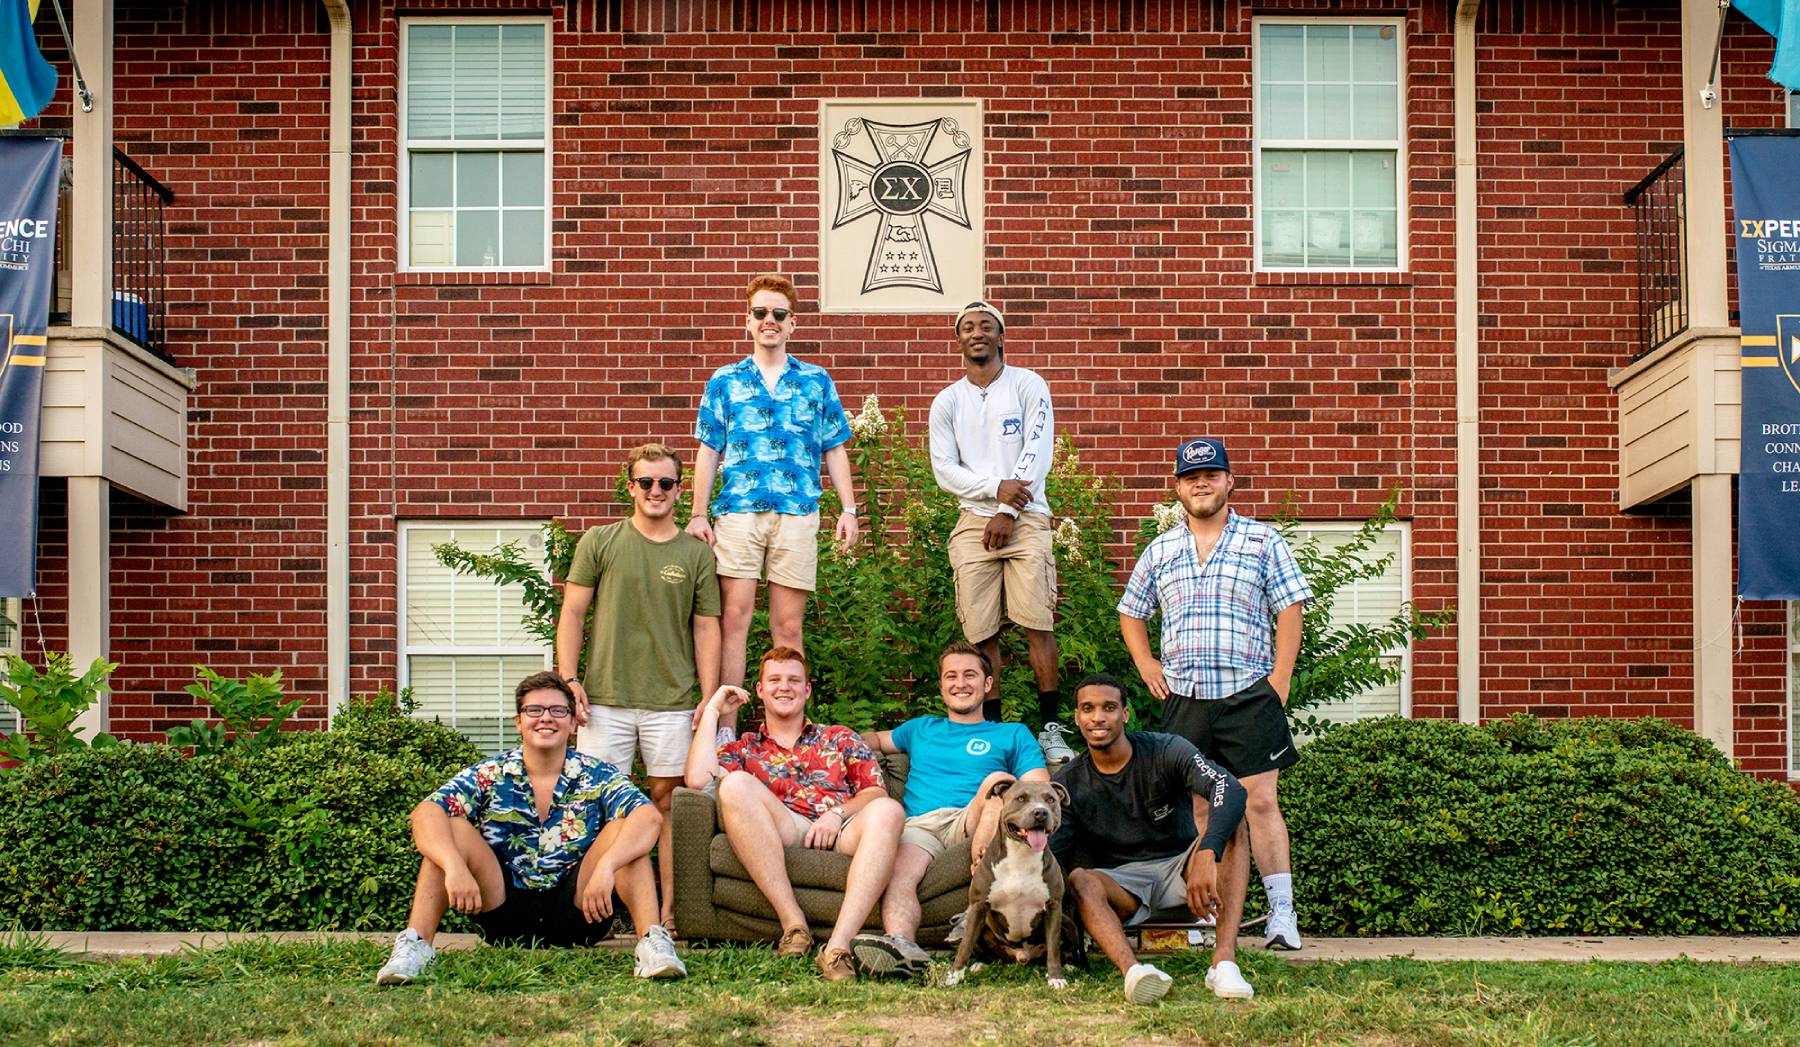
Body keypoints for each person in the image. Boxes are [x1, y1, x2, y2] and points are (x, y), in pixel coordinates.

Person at [1118, 437, 1311, 951]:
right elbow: (1131, 612)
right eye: (1189, 477)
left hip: (1249, 693)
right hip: (1185, 695)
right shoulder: (1160, 550)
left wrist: (1281, 678)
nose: (1200, 484)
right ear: (1178, 488)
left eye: (1210, 474)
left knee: (1261, 803)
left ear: (1229, 482)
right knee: (1199, 810)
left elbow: (1291, 608)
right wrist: (1146, 662)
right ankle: (1204, 916)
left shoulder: (1262, 541)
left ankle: (1282, 917)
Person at [376, 671, 684, 985]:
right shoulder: (490, 773)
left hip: (579, 913)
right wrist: (454, 865)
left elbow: (649, 818)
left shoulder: (598, 775)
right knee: (449, 825)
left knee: (625, 827)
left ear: (573, 722)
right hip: (501, 909)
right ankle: (414, 947)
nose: (545, 718)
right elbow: (425, 812)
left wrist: (607, 866)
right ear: (519, 722)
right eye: (534, 710)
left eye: (557, 710)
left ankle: (652, 944)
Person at [556, 442, 722, 928]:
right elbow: (571, 613)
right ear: (630, 487)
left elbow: (707, 628)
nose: (656, 491)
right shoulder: (599, 542)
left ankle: (667, 913)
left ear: (678, 489)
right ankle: (601, 910)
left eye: (666, 483)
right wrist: (568, 680)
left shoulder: (695, 554)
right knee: (603, 804)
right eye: (646, 482)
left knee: (667, 805)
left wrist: (707, 700)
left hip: (671, 701)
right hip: (603, 699)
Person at [688, 274, 860, 733]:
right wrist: (697, 514)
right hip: (739, 513)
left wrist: (849, 509)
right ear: (748, 321)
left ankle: (791, 729)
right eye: (761, 313)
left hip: (798, 513)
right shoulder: (725, 380)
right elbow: (709, 450)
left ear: (792, 324)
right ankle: (725, 729)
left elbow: (835, 447)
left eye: (778, 314)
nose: (769, 321)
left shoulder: (816, 380)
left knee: (788, 627)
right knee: (734, 620)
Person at [683, 647, 905, 981]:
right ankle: (794, 925)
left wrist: (835, 814)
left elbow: (875, 792)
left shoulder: (839, 737)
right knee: (734, 785)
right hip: (784, 825)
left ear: (807, 689)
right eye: (774, 680)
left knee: (888, 810)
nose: (783, 687)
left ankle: (837, 948)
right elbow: (699, 779)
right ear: (759, 690)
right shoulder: (743, 747)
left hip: (842, 829)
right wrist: (714, 708)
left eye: (793, 680)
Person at [1052, 673, 1252, 1002]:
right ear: (1077, 717)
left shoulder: (1165, 749)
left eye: (1109, 707)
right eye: (1088, 709)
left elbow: (1227, 787)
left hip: (1184, 870)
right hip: (1123, 885)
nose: (1098, 717)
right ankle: (1135, 973)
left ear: (1126, 714)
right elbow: (1051, 855)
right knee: (1081, 879)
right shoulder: (1070, 782)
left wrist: (1207, 852)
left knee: (1235, 826)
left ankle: (1224, 963)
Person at [856, 640, 1050, 977]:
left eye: (970, 675)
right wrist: (825, 737)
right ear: (943, 685)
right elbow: (872, 739)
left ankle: (974, 913)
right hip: (922, 824)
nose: (960, 683)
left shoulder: (1011, 733)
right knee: (901, 873)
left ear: (988, 685)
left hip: (976, 817)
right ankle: (900, 945)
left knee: (997, 784)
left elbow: (1038, 788)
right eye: (952, 676)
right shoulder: (920, 728)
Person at [927, 300, 1068, 763]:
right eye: (967, 327)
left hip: (1026, 515)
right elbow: (944, 470)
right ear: (959, 340)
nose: (977, 332)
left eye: (986, 326)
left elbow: (1038, 448)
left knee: (1036, 623)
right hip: (972, 520)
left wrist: (1008, 507)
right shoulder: (948, 401)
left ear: (1001, 336)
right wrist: (993, 490)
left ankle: (1050, 728)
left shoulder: (1028, 385)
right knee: (982, 632)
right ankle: (990, 730)